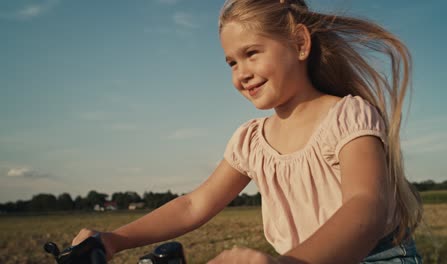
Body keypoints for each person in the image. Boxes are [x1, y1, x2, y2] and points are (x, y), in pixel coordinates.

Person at [72, 0, 424, 263]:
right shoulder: (251, 141)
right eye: (231, 62)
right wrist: (114, 239)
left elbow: (365, 207)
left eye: (252, 53)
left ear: (300, 44)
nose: (241, 73)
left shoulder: (347, 115)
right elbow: (194, 205)